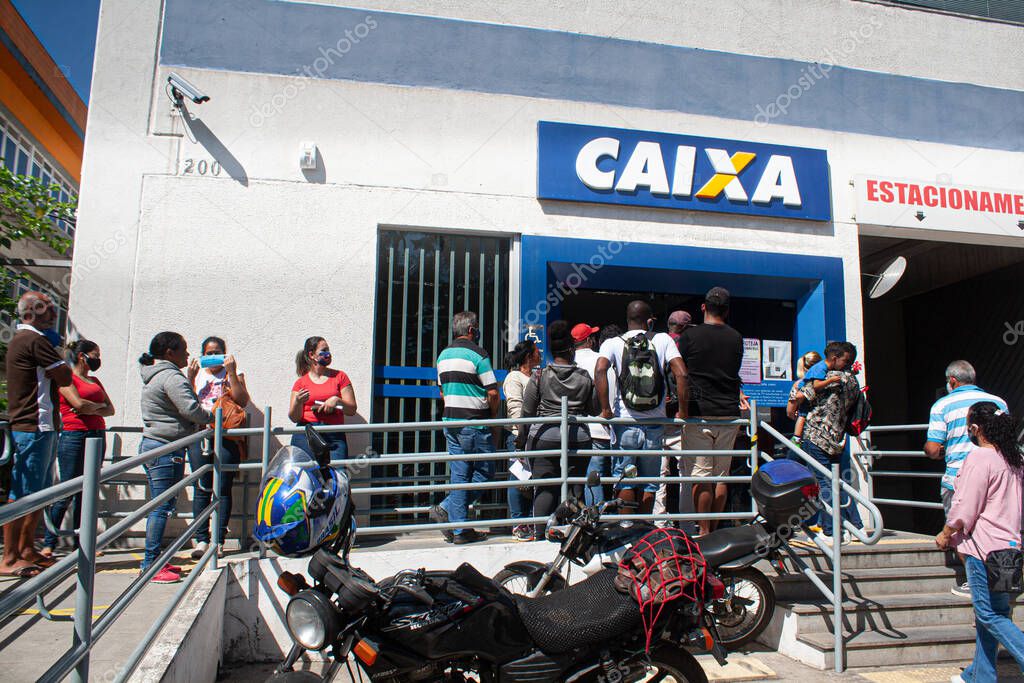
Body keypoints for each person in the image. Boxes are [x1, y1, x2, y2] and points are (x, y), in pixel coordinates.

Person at [2, 293, 99, 578]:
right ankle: (9, 557)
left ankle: (27, 549)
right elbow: (66, 378)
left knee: (40, 494)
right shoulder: (33, 341)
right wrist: (58, 357)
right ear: (31, 312)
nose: (53, 314)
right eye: (47, 309)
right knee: (23, 494)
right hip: (33, 426)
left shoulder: (32, 340)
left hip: (41, 427)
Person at [935, 402, 1024, 682]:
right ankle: (979, 675)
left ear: (976, 428)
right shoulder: (1015, 458)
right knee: (995, 614)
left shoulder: (979, 458)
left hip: (983, 547)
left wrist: (946, 533)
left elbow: (965, 507)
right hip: (1010, 547)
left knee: (987, 614)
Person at [595, 301, 687, 514]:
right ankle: (644, 531)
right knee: (650, 482)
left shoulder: (613, 343)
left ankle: (626, 528)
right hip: (655, 424)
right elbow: (682, 373)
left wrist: (606, 410)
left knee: (625, 480)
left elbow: (600, 370)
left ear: (627, 320)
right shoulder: (663, 339)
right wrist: (683, 411)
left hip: (624, 423)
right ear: (649, 321)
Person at [925, 360, 1007, 597]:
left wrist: (936, 450)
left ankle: (976, 581)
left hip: (958, 478)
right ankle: (998, 580)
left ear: (952, 381)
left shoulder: (942, 405)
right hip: (998, 476)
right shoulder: (998, 402)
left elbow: (932, 448)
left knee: (961, 532)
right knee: (993, 528)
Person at [139, 332, 214, 584]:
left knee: (160, 505)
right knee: (162, 507)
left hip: (157, 446)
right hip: (165, 448)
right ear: (170, 353)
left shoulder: (155, 374)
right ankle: (151, 564)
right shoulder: (170, 376)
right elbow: (190, 409)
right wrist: (213, 416)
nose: (188, 354)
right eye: (184, 349)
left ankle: (157, 560)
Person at [678, 288, 748, 536]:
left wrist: (681, 408)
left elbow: (681, 373)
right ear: (727, 311)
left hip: (699, 413)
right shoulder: (736, 337)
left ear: (703, 307)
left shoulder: (690, 336)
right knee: (721, 477)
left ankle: (704, 533)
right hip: (729, 413)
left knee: (700, 476)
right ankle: (716, 532)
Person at [429, 311, 499, 545]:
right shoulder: (478, 354)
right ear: (471, 330)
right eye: (476, 327)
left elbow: (442, 391)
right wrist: (493, 416)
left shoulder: (443, 356)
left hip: (451, 423)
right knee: (486, 472)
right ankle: (448, 509)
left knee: (460, 475)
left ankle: (457, 527)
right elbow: (492, 392)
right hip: (475, 423)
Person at [42, 340, 115, 556]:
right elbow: (78, 404)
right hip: (75, 435)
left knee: (87, 491)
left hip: (97, 435)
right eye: (95, 354)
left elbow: (110, 410)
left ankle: (81, 543)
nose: (98, 359)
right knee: (68, 489)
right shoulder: (67, 379)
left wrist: (91, 409)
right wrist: (93, 408)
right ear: (83, 356)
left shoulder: (95, 381)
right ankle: (49, 543)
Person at [519, 321, 598, 519]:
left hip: (544, 438)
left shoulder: (539, 376)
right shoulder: (585, 377)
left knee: (545, 489)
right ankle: (573, 538)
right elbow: (594, 408)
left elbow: (527, 412)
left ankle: (540, 536)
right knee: (575, 491)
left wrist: (521, 441)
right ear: (571, 349)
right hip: (578, 439)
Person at [787, 341, 863, 545]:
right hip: (836, 438)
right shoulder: (853, 381)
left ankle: (830, 531)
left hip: (816, 437)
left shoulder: (830, 378)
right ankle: (855, 526)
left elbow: (801, 395)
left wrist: (793, 401)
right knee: (835, 482)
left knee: (823, 483)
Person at [190, 337, 251, 559]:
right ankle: (201, 539)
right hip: (201, 433)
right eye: (208, 353)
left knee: (223, 487)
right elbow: (186, 401)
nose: (212, 357)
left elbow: (242, 400)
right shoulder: (198, 375)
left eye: (217, 352)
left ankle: (218, 539)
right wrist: (190, 377)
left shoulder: (232, 373)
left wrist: (232, 372)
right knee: (202, 486)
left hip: (225, 435)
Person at [288, 336, 357, 460]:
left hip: (334, 434)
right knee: (305, 474)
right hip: (306, 434)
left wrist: (337, 400)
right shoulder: (300, 383)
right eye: (324, 351)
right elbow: (294, 417)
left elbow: (352, 410)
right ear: (312, 355)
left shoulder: (340, 377)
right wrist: (298, 402)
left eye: (328, 350)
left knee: (337, 474)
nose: (328, 354)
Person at [571, 322, 614, 506]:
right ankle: (596, 519)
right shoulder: (602, 360)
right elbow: (611, 393)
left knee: (572, 477)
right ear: (589, 340)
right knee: (595, 476)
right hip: (599, 428)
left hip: (572, 430)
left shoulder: (567, 362)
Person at [502, 339, 540, 541]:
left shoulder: (535, 376)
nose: (540, 354)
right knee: (518, 479)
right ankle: (519, 524)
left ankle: (530, 522)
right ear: (528, 356)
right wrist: (522, 435)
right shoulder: (514, 377)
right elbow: (515, 408)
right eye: (536, 351)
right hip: (519, 437)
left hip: (534, 436)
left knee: (529, 480)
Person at [790, 351, 822, 445]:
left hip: (807, 428)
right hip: (821, 429)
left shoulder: (800, 383)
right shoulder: (824, 381)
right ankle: (796, 438)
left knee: (802, 415)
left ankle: (796, 438)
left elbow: (790, 410)